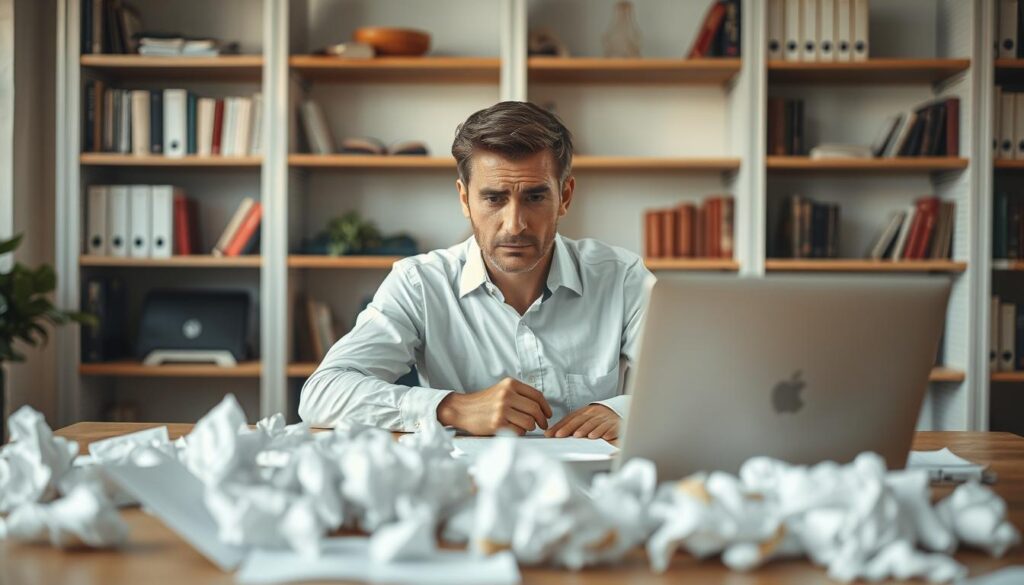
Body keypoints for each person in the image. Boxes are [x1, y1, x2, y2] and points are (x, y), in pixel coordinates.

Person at [298, 101, 655, 440]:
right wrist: (452, 408)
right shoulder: (420, 283)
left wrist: (629, 411)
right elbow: (321, 393)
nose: (514, 225)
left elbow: (695, 387)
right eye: (494, 198)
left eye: (534, 197)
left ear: (564, 196)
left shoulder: (621, 278)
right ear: (464, 199)